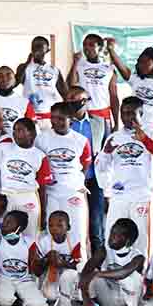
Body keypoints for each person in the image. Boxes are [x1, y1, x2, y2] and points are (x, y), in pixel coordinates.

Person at [94, 96, 153, 261]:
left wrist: (145, 140)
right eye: (124, 113)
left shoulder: (151, 133)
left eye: (132, 114)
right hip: (119, 197)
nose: (127, 118)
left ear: (141, 114)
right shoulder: (114, 137)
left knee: (143, 240)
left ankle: (144, 278)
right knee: (112, 237)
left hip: (141, 196)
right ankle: (112, 272)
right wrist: (105, 153)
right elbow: (101, 169)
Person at [0, 115, 50, 239]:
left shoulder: (40, 156)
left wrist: (43, 212)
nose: (15, 133)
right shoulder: (4, 148)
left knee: (30, 237)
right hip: (6, 198)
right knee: (4, 236)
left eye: (20, 130)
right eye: (14, 130)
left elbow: (42, 187)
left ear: (31, 133)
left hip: (28, 198)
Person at [36, 101, 92, 254]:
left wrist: (74, 182)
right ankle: (52, 266)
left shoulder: (81, 141)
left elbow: (85, 165)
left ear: (71, 120)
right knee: (52, 231)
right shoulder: (42, 139)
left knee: (77, 231)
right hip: (51, 193)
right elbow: (39, 166)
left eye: (61, 119)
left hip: (73, 193)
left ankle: (78, 266)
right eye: (53, 118)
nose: (56, 122)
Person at [78, 218, 145, 306]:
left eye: (116, 235)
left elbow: (123, 273)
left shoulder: (137, 257)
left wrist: (97, 274)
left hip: (127, 302)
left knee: (133, 278)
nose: (111, 237)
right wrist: (85, 298)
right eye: (111, 233)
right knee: (90, 274)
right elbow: (86, 270)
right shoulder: (104, 250)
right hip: (109, 297)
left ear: (127, 241)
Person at [66, 86, 107, 250]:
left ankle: (98, 262)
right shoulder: (63, 123)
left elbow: (105, 151)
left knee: (96, 223)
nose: (72, 104)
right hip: (72, 181)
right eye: (69, 100)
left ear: (86, 101)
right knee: (73, 222)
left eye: (76, 100)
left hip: (94, 179)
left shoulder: (100, 123)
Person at [105, 41, 153, 139]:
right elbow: (121, 67)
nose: (143, 65)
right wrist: (111, 50)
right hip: (134, 130)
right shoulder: (136, 79)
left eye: (147, 61)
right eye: (141, 62)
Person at [0, 210, 47, 306]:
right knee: (3, 299)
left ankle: (25, 305)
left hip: (24, 279)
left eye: (9, 223)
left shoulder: (29, 243)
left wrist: (40, 262)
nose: (4, 225)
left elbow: (36, 269)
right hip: (5, 278)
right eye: (4, 221)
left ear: (19, 228)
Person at [67, 33, 119, 136]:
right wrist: (75, 63)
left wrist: (117, 122)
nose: (87, 48)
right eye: (84, 45)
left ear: (99, 48)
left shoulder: (109, 68)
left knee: (101, 149)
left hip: (103, 113)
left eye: (91, 45)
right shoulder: (80, 66)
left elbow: (113, 96)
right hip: (82, 113)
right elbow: (71, 85)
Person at [31, 210, 80, 306]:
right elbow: (36, 271)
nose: (54, 229)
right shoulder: (43, 241)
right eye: (51, 225)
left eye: (59, 225)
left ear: (68, 227)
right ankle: (53, 302)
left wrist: (62, 263)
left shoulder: (76, 240)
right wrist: (47, 258)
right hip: (52, 274)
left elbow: (80, 266)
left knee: (68, 275)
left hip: (71, 277)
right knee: (50, 295)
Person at [16, 36, 66, 131]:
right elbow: (17, 81)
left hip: (49, 116)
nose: (37, 49)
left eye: (40, 47)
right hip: (30, 115)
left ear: (47, 50)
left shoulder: (54, 70)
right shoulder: (24, 67)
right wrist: (27, 62)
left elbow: (64, 92)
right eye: (35, 46)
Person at [0, 66, 35, 137]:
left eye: (8, 76)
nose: (4, 79)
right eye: (0, 76)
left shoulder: (24, 102)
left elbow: (31, 128)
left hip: (17, 144)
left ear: (14, 80)